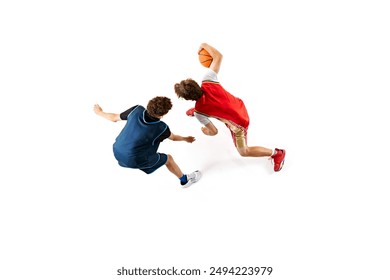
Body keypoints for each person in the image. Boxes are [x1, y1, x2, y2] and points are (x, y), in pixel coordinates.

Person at [174, 43, 286, 172]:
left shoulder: (200, 112)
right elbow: (218, 56)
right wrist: (204, 44)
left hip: (240, 125)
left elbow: (214, 132)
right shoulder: (208, 79)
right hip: (239, 105)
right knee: (208, 110)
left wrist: (206, 131)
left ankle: (277, 153)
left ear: (188, 99)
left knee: (244, 152)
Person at [93, 96, 202, 187]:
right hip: (133, 160)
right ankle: (185, 180)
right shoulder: (162, 128)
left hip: (117, 152)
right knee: (168, 159)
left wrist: (99, 112)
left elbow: (114, 118)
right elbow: (173, 138)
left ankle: (142, 163)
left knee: (141, 145)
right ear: (163, 114)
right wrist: (186, 138)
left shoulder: (136, 110)